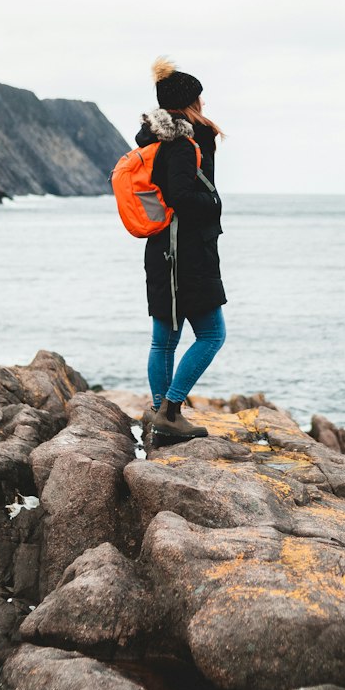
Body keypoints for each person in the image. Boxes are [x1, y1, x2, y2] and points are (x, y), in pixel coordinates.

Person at [137, 58, 226, 442]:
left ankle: (161, 411)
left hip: (162, 250)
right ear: (188, 104)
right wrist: (215, 204)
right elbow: (181, 195)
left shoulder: (154, 140)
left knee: (164, 338)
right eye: (199, 98)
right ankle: (171, 409)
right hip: (185, 254)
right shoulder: (185, 144)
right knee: (211, 335)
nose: (204, 103)